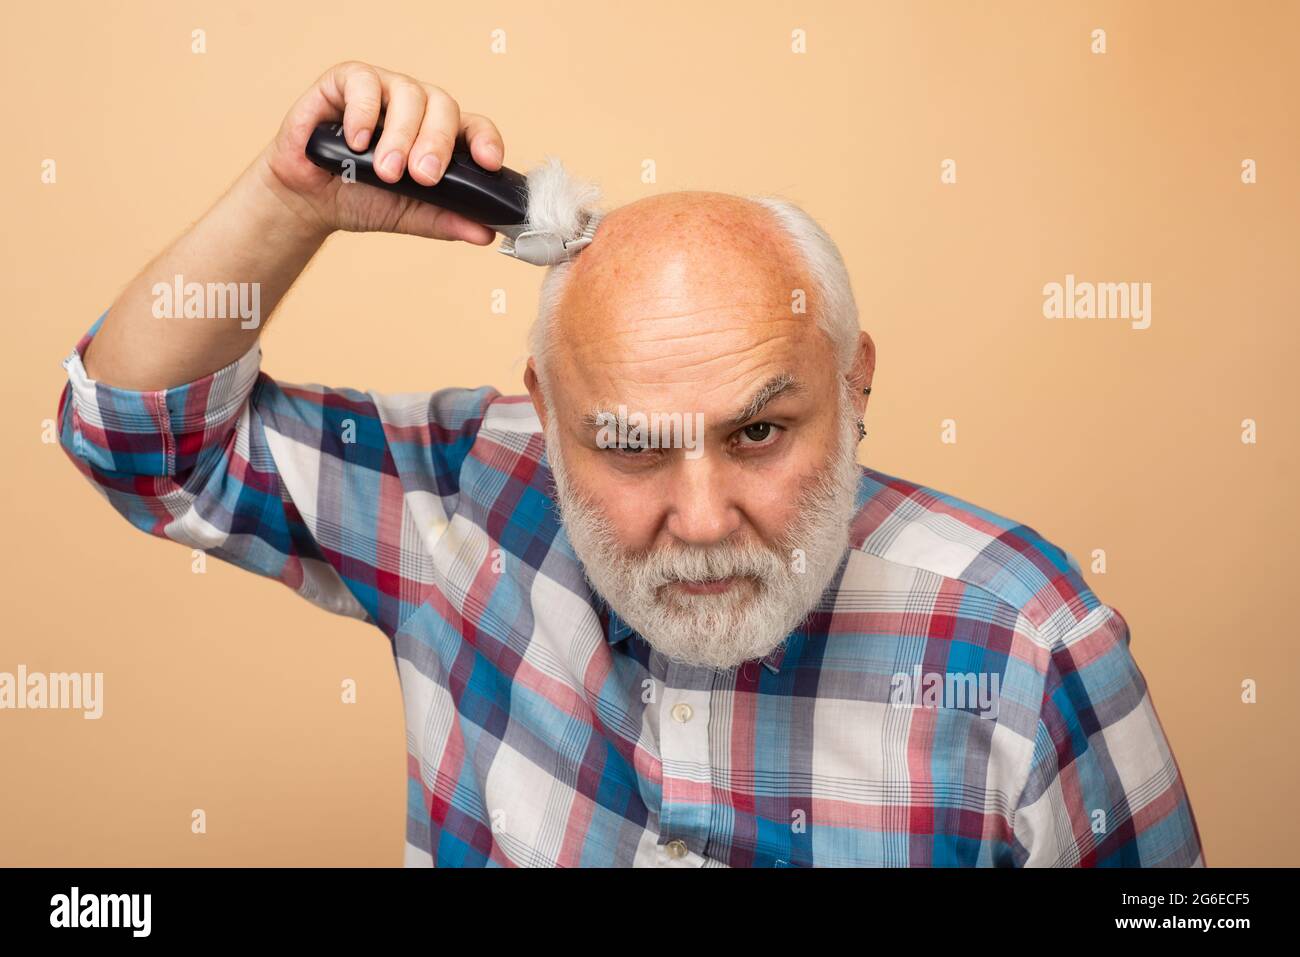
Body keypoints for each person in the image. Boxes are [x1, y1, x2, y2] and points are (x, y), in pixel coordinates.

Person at [56, 60, 1204, 868]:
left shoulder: (1026, 650)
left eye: (759, 432)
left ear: (853, 389)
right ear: (545, 414)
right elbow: (136, 437)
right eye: (628, 448)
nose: (701, 520)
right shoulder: (463, 499)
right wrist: (290, 202)